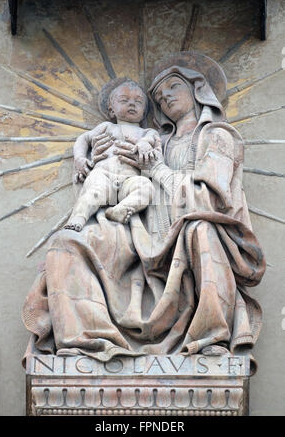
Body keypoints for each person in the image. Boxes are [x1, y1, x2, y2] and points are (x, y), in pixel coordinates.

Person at [22, 53, 265, 370]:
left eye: (173, 88)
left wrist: (158, 170)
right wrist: (98, 159)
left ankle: (210, 339)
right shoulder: (155, 142)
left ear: (198, 90)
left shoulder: (215, 135)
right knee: (65, 245)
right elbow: (111, 182)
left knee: (200, 230)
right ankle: (82, 343)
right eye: (161, 98)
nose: (166, 99)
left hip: (187, 234)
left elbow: (209, 201)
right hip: (140, 231)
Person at [65, 78, 161, 231]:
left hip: (130, 179)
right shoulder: (107, 127)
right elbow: (83, 138)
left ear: (144, 113)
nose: (132, 104)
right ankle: (79, 217)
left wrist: (143, 144)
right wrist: (79, 158)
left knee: (146, 188)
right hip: (103, 174)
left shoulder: (146, 132)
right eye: (124, 100)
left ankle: (122, 209)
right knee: (93, 192)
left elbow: (151, 140)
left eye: (138, 102)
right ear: (111, 109)